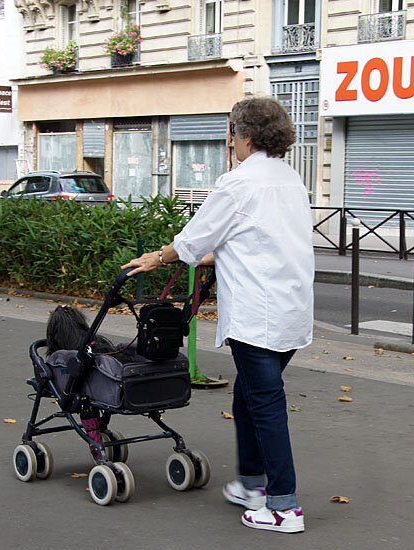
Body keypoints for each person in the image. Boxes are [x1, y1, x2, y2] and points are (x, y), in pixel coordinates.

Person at [121, 97, 313, 534]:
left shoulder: (238, 183)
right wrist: (217, 257)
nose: (232, 141)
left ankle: (283, 506)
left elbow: (194, 238)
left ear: (243, 135)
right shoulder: (290, 180)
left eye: (232, 132)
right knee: (248, 397)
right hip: (290, 310)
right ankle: (251, 485)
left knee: (265, 404)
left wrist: (157, 257)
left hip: (256, 314)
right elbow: (263, 238)